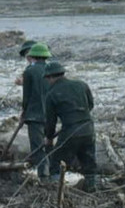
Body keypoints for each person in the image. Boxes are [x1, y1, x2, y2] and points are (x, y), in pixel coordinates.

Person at [39, 62, 99, 192]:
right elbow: (90, 105)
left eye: (47, 79)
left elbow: (50, 121)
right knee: (89, 163)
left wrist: (48, 137)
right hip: (88, 128)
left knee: (56, 162)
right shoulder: (81, 85)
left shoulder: (51, 94)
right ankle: (92, 189)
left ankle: (57, 191)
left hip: (70, 132)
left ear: (49, 77)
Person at [18, 42, 52, 176]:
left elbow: (26, 97)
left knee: (38, 148)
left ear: (33, 56)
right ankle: (53, 173)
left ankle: (43, 177)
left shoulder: (29, 71)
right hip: (50, 115)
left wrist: (24, 113)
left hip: (34, 116)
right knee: (48, 146)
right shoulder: (51, 69)